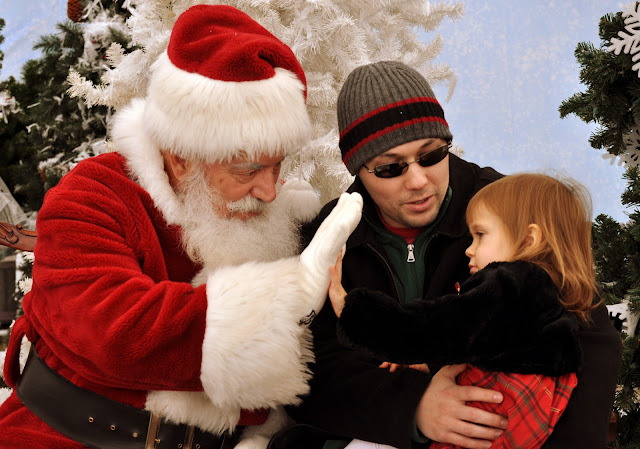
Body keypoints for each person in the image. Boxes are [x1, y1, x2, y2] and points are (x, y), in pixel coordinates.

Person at [0, 5, 363, 449]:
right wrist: (287, 297)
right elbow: (113, 331)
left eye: (276, 165)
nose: (270, 191)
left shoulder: (269, 214)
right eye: (248, 169)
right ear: (181, 159)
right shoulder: (91, 197)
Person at [271, 61, 621, 449]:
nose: (418, 180)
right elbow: (308, 368)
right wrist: (414, 408)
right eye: (390, 168)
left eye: (432, 155)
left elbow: (590, 335)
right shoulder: (327, 237)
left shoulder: (507, 214)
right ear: (356, 169)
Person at [330, 173, 618, 449]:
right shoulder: (556, 299)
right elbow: (486, 347)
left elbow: (435, 328)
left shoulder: (511, 284)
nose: (469, 249)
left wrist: (354, 312)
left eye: (480, 235)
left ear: (529, 240)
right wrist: (429, 364)